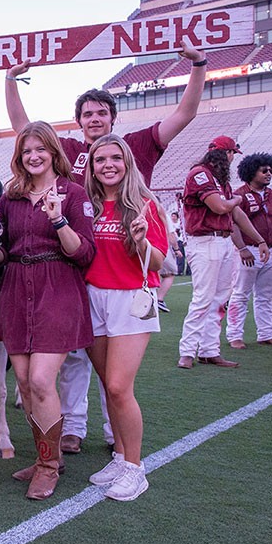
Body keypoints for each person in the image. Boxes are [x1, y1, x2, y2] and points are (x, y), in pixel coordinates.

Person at [4, 38, 207, 454]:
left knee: (117, 378)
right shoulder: (73, 152)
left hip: (127, 275)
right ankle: (73, 428)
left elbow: (184, 114)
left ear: (113, 117)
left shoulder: (135, 146)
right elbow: (26, 131)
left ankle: (118, 438)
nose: (94, 119)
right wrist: (9, 82)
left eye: (101, 113)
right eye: (87, 114)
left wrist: (200, 65)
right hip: (81, 272)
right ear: (78, 121)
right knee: (75, 360)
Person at [0, 121, 96, 500]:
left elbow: (84, 253)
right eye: (27, 150)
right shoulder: (8, 199)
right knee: (26, 383)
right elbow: (2, 255)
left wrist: (58, 218)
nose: (33, 156)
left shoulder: (74, 194)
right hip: (16, 289)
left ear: (53, 152)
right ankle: (50, 456)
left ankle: (47, 467)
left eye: (40, 149)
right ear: (19, 156)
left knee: (43, 380)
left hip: (57, 287)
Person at [83, 135, 167, 501]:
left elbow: (160, 263)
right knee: (107, 383)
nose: (108, 165)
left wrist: (143, 242)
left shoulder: (144, 205)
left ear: (127, 162)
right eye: (100, 159)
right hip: (93, 296)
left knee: (119, 386)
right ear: (92, 166)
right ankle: (119, 457)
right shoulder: (89, 204)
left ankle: (135, 469)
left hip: (130, 299)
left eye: (115, 158)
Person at [178, 137, 269, 369]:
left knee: (219, 299)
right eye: (231, 154)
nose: (231, 159)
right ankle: (187, 351)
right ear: (224, 153)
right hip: (205, 240)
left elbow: (237, 215)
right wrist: (237, 199)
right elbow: (220, 207)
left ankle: (209, 350)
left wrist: (259, 240)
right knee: (203, 298)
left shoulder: (220, 180)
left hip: (222, 240)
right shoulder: (200, 174)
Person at [226, 152, 272, 349]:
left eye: (270, 170)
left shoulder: (271, 195)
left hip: (268, 250)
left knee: (266, 295)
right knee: (240, 294)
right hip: (248, 251)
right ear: (251, 172)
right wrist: (242, 248)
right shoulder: (240, 195)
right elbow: (233, 224)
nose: (268, 173)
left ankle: (266, 333)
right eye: (264, 170)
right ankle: (234, 335)